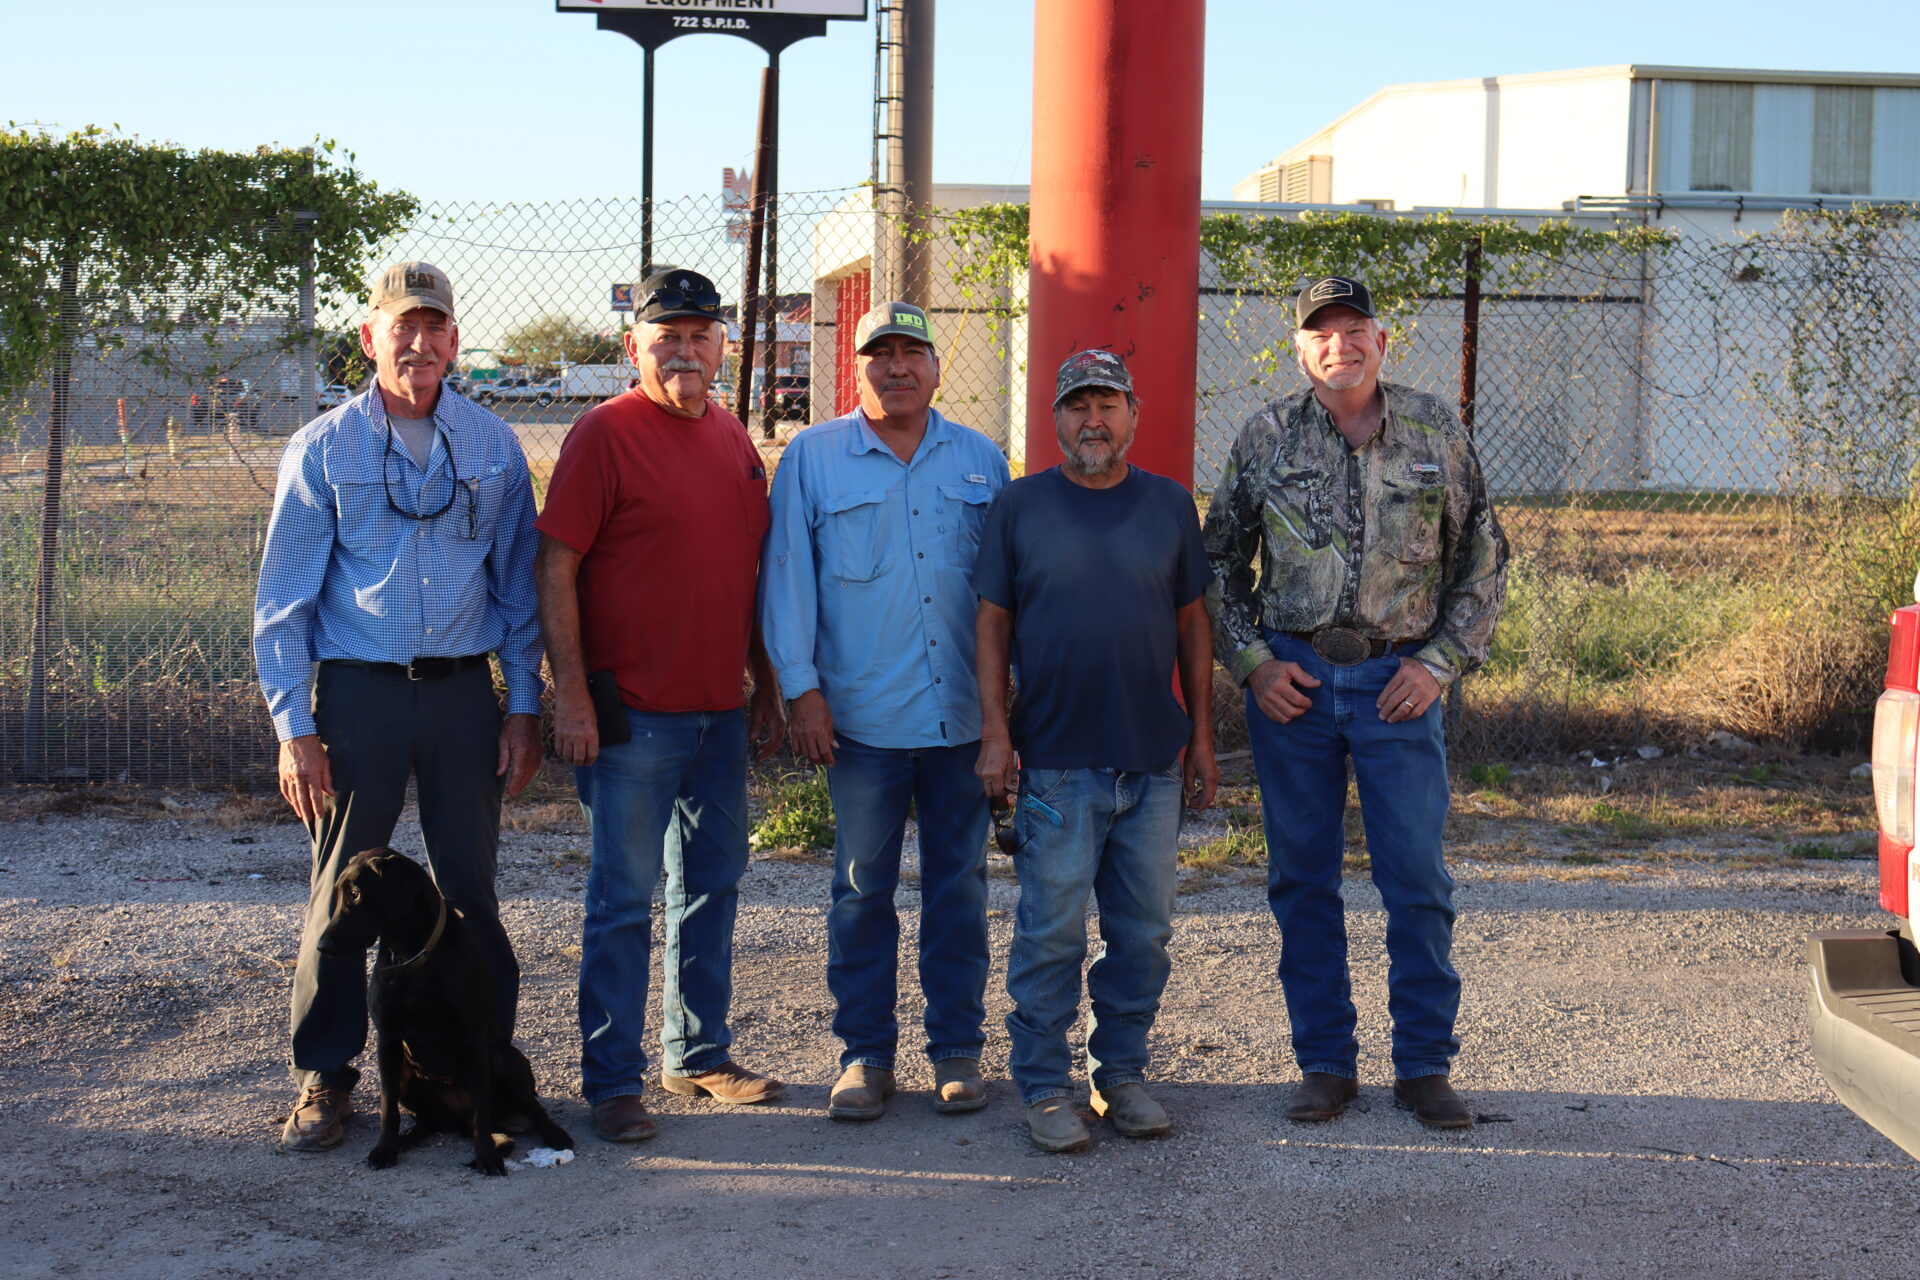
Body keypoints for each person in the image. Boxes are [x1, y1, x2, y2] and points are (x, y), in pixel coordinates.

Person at [1202, 275, 1509, 1130]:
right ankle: (1326, 1064)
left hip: (1396, 686)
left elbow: (1483, 558)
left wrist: (1439, 664)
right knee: (1302, 880)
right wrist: (1253, 665)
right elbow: (1216, 560)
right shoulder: (1267, 436)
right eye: (1321, 333)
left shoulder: (1434, 431)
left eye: (1354, 329)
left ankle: (1424, 1067)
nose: (1339, 345)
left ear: (1382, 341)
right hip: (1293, 687)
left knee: (1416, 880)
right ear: (1299, 350)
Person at [254, 260, 543, 1152]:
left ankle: (477, 1065)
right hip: (360, 696)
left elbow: (519, 590)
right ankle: (326, 1076)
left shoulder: (493, 446)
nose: (419, 343)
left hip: (462, 696)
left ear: (455, 339)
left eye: (434, 326)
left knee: (469, 888)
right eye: (401, 326)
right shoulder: (323, 448)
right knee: (343, 889)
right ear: (370, 336)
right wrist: (295, 729)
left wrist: (522, 707)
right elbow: (283, 603)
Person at [535, 267, 787, 1143]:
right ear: (632, 346)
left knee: (711, 887)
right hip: (631, 718)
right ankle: (612, 1082)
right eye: (666, 337)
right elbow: (555, 567)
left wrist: (764, 684)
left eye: (699, 335)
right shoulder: (604, 435)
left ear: (722, 346)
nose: (685, 351)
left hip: (718, 712)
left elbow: (744, 575)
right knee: (621, 901)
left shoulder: (732, 437)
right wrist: (571, 695)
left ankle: (697, 1054)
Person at [760, 302, 1009, 1122]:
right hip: (860, 721)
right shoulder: (814, 457)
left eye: (912, 352)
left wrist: (1008, 715)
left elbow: (1008, 593)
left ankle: (956, 1050)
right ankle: (864, 1055)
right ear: (856, 367)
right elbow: (787, 579)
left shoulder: (979, 460)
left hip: (960, 723)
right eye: (880, 354)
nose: (897, 367)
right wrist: (801, 690)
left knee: (959, 890)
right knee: (863, 890)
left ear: (936, 367)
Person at [973, 349, 1218, 1153]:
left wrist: (1202, 738)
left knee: (1143, 932)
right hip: (1055, 763)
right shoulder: (1021, 506)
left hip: (1151, 762)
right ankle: (1045, 1086)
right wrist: (997, 734)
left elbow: (1192, 624)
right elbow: (991, 624)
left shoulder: (1169, 505)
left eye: (1108, 405)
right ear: (1055, 420)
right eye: (1078, 406)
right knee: (1051, 932)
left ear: (1133, 416)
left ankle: (1120, 1076)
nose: (1094, 421)